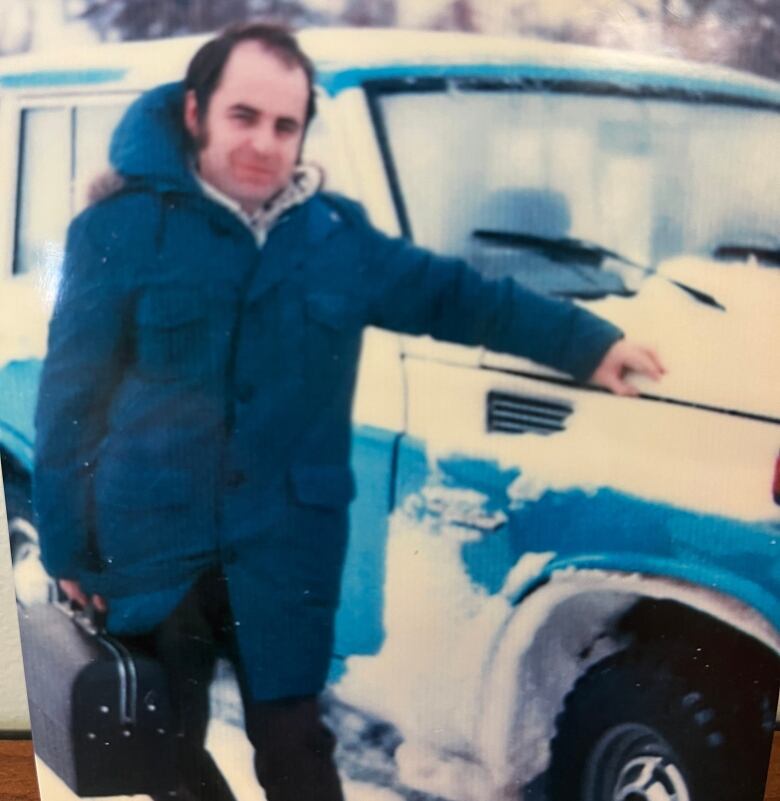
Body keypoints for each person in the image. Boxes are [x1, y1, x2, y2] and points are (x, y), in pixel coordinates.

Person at [32, 22, 665, 801]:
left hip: (285, 552)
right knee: (165, 751)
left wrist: (587, 343)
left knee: (299, 751)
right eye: (244, 116)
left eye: (285, 124)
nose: (265, 143)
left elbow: (452, 294)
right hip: (156, 546)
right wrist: (68, 548)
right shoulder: (120, 230)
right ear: (195, 113)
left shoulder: (335, 238)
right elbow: (69, 401)